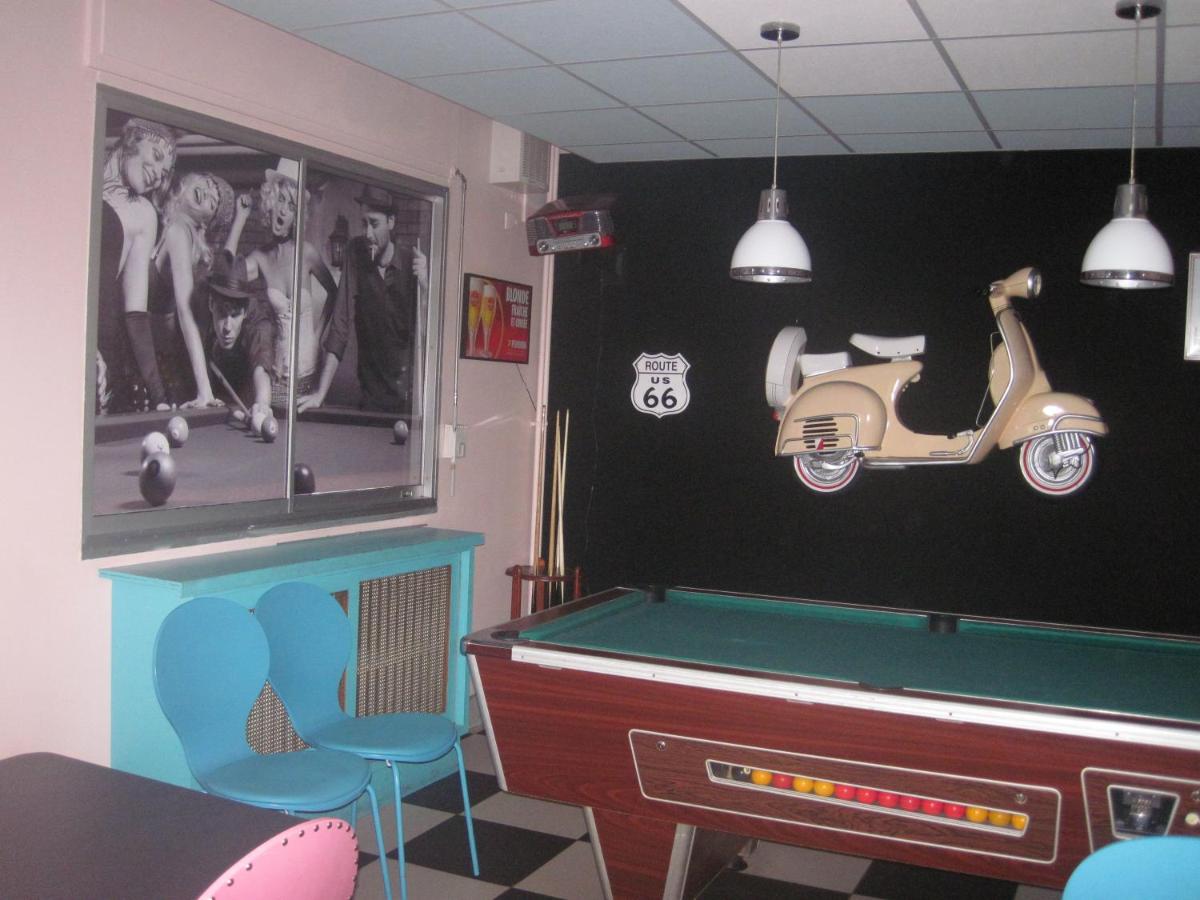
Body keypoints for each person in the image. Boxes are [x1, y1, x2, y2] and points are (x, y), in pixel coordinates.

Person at [299, 184, 427, 414]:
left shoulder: (412, 262)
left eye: (374, 224)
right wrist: (320, 393)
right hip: (371, 396)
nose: (367, 234)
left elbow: (428, 333)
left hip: (410, 400)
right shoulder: (355, 252)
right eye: (364, 223)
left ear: (391, 222)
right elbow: (340, 324)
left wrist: (426, 285)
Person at [224, 158, 337, 410]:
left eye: (292, 206)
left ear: (297, 216)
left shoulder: (307, 253)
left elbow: (334, 292)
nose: (284, 211)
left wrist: (318, 335)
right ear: (270, 202)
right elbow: (227, 277)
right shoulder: (260, 258)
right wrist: (240, 219)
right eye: (281, 200)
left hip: (310, 379)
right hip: (276, 379)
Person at [96, 116, 177, 414]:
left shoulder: (143, 214)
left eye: (164, 173)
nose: (157, 176)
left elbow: (136, 315)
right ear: (132, 140)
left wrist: (158, 395)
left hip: (98, 361)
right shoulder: (79, 173)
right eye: (155, 156)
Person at [151, 170, 235, 407]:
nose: (207, 192)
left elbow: (185, 311)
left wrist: (205, 391)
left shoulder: (179, 230)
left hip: (158, 365)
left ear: (206, 221)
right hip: (155, 358)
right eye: (207, 183)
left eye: (213, 202)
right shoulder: (172, 225)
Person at [204, 250, 273, 418]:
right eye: (222, 314)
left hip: (246, 392)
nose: (227, 327)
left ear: (245, 311)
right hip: (210, 389)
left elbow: (261, 369)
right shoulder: (199, 309)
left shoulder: (259, 325)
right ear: (211, 304)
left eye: (235, 315)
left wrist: (262, 403)